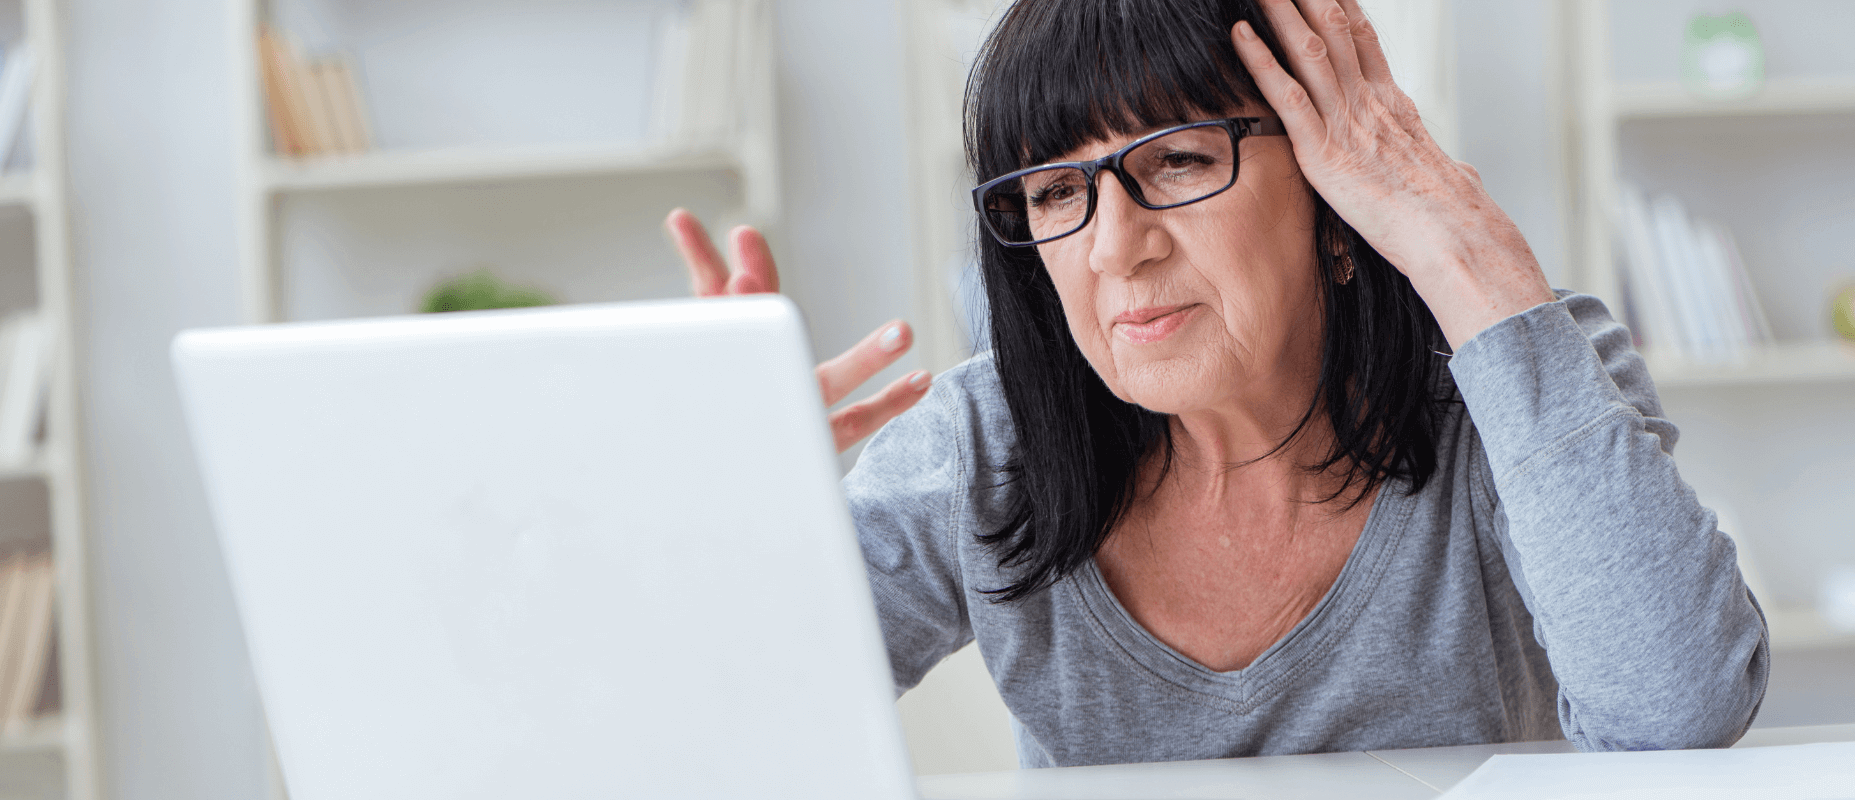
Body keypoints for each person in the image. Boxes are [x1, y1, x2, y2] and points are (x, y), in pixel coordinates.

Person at [666, 0, 1767, 768]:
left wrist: (1464, 251)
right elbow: (711, 724)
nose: (1114, 248)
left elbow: (1677, 712)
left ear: (1340, 202)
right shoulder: (980, 444)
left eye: (1181, 160)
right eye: (1055, 193)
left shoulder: (1519, 369)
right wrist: (723, 512)